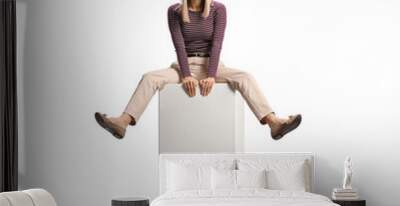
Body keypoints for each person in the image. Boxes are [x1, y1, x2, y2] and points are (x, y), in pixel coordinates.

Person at [95, 0, 302, 140]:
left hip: (212, 64)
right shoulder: (174, 11)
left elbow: (217, 44)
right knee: (150, 77)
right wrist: (185, 75)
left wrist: (211, 75)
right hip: (184, 65)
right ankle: (122, 122)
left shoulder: (218, 9)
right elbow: (179, 45)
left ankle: (273, 122)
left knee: (245, 77)